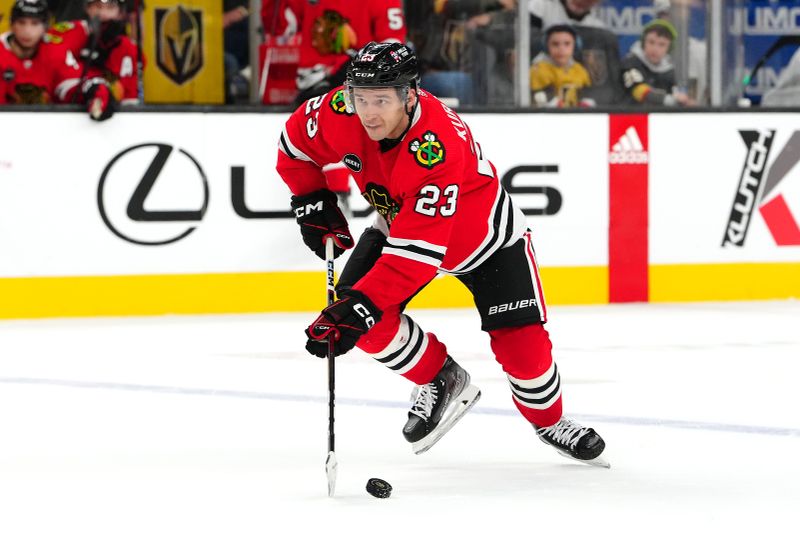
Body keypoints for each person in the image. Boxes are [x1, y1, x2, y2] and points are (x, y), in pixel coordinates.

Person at [275, 41, 608, 465]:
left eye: (381, 100)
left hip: (487, 242)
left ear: (408, 94)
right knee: (360, 318)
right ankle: (440, 377)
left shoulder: (436, 145)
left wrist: (361, 305)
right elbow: (294, 147)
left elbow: (418, 256)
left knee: (525, 354)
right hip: (399, 227)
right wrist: (311, 198)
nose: (369, 112)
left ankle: (550, 421)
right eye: (360, 99)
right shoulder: (338, 109)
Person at [0, 0, 112, 114]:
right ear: (12, 25)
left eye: (34, 23)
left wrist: (91, 89)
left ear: (45, 27)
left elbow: (71, 86)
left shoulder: (55, 50)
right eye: (21, 22)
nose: (27, 31)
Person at [47, 0, 140, 111]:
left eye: (110, 7)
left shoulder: (127, 47)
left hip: (112, 117)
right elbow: (57, 82)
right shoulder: (68, 34)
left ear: (120, 13)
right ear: (88, 8)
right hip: (66, 113)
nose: (103, 14)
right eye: (98, 7)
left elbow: (129, 99)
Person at [620, 19, 695, 107]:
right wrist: (671, 100)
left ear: (669, 48)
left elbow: (675, 94)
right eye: (651, 42)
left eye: (662, 44)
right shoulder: (629, 63)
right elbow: (638, 91)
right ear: (643, 43)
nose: (655, 49)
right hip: (629, 118)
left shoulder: (669, 70)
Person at [530, 24, 592, 107]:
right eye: (555, 44)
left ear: (576, 46)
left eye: (567, 44)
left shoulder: (579, 69)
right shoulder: (538, 69)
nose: (561, 49)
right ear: (546, 46)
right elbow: (541, 98)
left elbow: (587, 94)